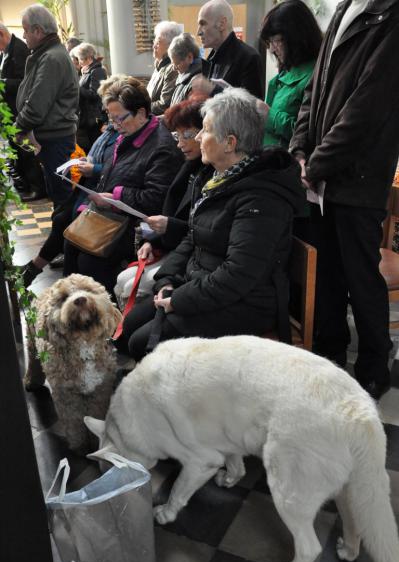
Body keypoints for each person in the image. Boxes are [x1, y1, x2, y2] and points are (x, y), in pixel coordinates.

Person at [120, 87, 305, 361]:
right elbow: (192, 238)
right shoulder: (220, 178)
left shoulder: (262, 197)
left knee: (140, 344)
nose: (197, 137)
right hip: (205, 287)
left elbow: (238, 275)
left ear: (229, 143)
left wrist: (179, 301)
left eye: (204, 130)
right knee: (129, 327)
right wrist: (168, 280)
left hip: (244, 304)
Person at [289, 0, 399, 399]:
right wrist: (300, 149)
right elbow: (312, 92)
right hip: (321, 177)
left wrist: (315, 164)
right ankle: (330, 353)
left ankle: (374, 366)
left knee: (360, 277)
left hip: (357, 178)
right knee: (328, 276)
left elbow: (367, 110)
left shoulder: (389, 17)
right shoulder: (344, 10)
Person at [63, 77, 183, 293]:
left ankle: (102, 316)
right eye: (111, 119)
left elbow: (156, 199)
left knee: (89, 262)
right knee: (71, 242)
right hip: (113, 216)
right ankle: (71, 310)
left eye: (120, 119)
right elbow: (112, 174)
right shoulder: (129, 135)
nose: (115, 126)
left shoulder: (161, 147)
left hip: (138, 226)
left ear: (141, 113)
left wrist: (116, 196)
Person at [114, 97, 211, 309]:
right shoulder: (191, 167)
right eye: (177, 135)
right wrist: (153, 242)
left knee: (132, 286)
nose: (180, 143)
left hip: (194, 259)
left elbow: (203, 232)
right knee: (122, 280)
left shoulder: (210, 174)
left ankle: (127, 333)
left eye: (188, 135)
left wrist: (168, 227)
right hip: (177, 248)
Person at [16, 4, 79, 288]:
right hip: (50, 138)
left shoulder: (52, 58)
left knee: (62, 201)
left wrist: (17, 128)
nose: (25, 36)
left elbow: (38, 103)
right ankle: (62, 249)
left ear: (39, 31)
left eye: (27, 30)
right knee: (59, 198)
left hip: (55, 139)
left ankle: (64, 250)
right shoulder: (45, 54)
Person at [260, 0, 322, 148]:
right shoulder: (287, 70)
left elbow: (309, 135)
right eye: (269, 42)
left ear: (296, 37)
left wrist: (270, 117)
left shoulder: (315, 75)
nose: (272, 49)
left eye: (276, 41)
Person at [0, 22, 45, 201]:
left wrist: (1, 83)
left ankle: (37, 187)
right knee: (16, 151)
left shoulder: (19, 50)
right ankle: (25, 184)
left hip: (20, 110)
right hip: (9, 111)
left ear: (1, 34)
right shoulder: (5, 51)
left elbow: (24, 83)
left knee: (26, 151)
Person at [193, 0, 263, 99]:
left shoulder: (249, 58)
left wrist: (213, 90)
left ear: (222, 24)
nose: (198, 32)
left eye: (203, 24)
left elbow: (253, 108)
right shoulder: (211, 59)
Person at [75, 42, 107, 152]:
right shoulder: (86, 71)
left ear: (88, 58)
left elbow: (95, 94)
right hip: (86, 117)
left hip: (93, 118)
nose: (79, 62)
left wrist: (76, 87)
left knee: (95, 148)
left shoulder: (97, 71)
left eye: (80, 59)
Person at [147, 21, 181, 115]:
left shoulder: (172, 69)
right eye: (154, 42)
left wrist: (141, 108)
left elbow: (165, 105)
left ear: (170, 46)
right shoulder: (159, 66)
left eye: (158, 43)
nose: (154, 46)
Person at [168, 33, 204, 106]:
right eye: (172, 63)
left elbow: (188, 115)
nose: (174, 68)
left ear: (189, 57)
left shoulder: (197, 83)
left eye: (177, 64)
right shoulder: (184, 77)